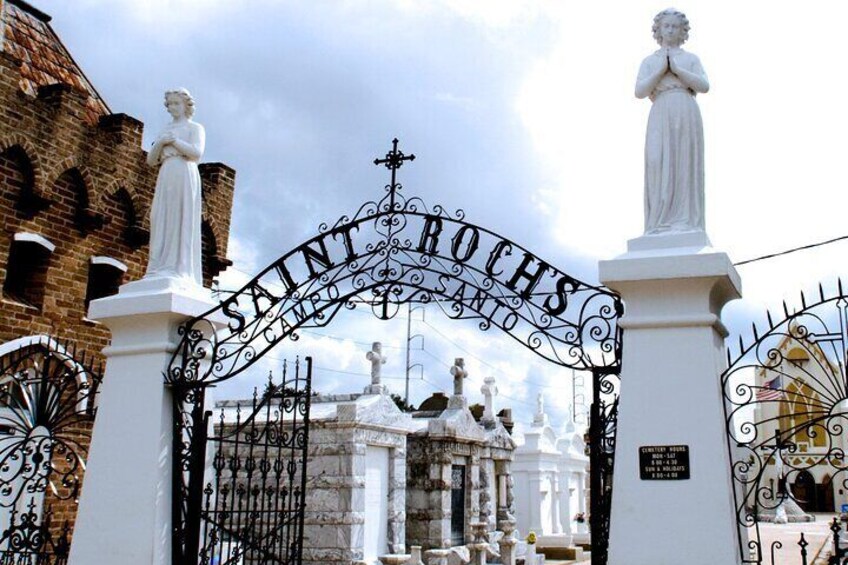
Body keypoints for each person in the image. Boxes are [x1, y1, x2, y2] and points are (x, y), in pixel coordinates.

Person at [635, 9, 709, 235]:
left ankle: (683, 221)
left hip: (685, 108)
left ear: (682, 31)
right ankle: (658, 221)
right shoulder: (650, 61)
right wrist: (660, 71)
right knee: (657, 161)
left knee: (682, 162)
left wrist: (677, 69)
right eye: (665, 26)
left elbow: (704, 86)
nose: (669, 30)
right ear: (658, 30)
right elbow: (639, 91)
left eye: (674, 27)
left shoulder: (690, 59)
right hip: (660, 110)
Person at [145, 88, 206, 286]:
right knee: (160, 217)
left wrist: (175, 142)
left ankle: (179, 267)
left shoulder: (195, 128)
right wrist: (160, 143)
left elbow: (196, 153)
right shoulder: (165, 129)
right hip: (166, 173)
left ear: (186, 105)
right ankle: (158, 266)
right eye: (169, 104)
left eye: (176, 103)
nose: (172, 108)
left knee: (181, 217)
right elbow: (151, 161)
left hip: (184, 173)